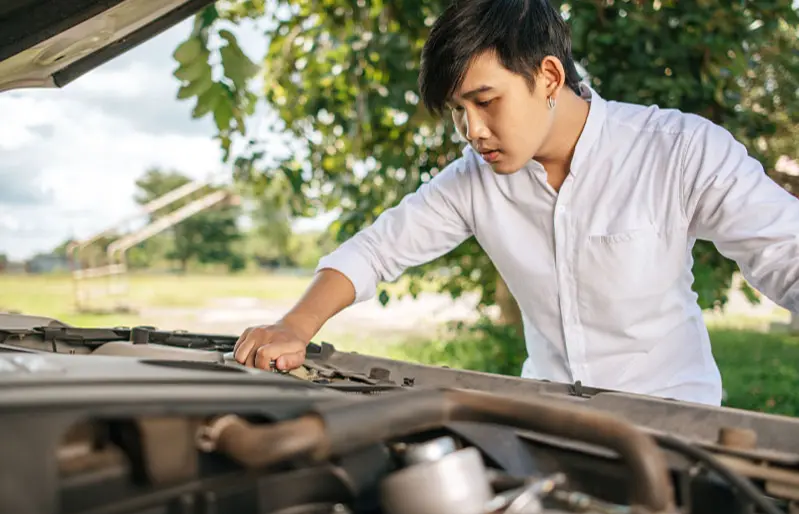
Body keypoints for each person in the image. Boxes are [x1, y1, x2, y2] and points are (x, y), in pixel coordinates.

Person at [233, 0, 799, 406]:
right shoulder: (473, 180)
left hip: (677, 426)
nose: (472, 131)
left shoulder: (679, 150)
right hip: (545, 421)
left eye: (485, 101)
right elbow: (377, 251)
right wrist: (294, 325)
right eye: (458, 111)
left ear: (549, 76)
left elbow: (786, 254)